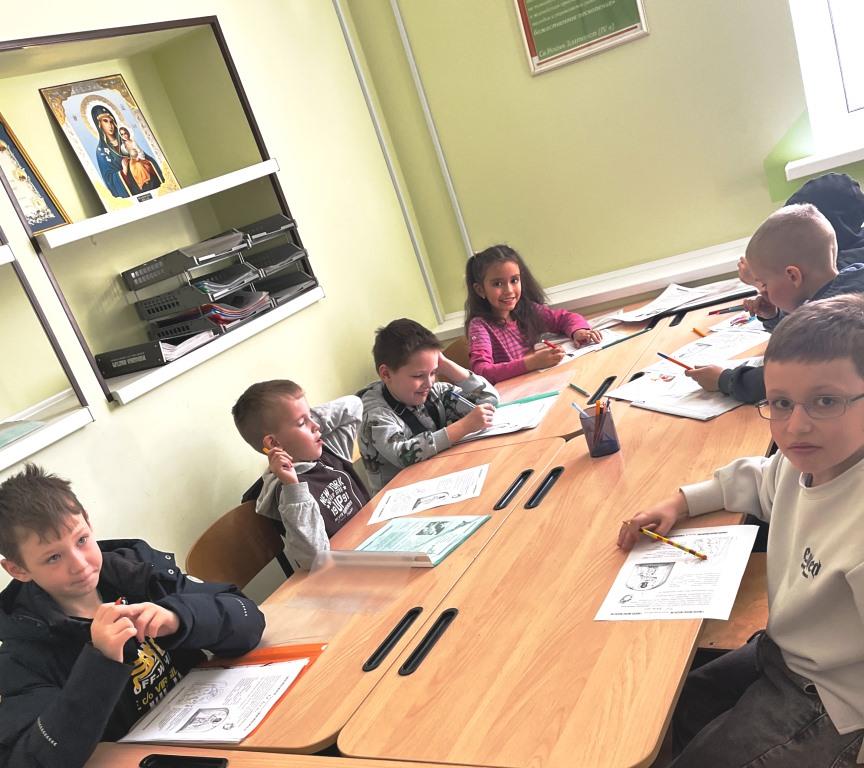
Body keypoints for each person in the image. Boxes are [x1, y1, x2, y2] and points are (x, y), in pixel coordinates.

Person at [618, 294, 864, 767]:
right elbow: (755, 477)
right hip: (785, 651)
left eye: (826, 401)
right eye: (781, 403)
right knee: (680, 707)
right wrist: (679, 502)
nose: (797, 426)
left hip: (834, 701)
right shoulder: (802, 463)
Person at [0, 464, 265, 768]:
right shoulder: (22, 654)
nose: (79, 564)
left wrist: (179, 617)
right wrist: (100, 663)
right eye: (53, 557)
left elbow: (249, 619)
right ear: (18, 569)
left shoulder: (138, 571)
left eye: (81, 540)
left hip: (223, 725)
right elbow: (32, 759)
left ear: (88, 522)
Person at [687, 204, 864, 403]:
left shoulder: (827, 321)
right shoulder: (853, 280)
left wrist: (724, 379)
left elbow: (784, 379)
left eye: (764, 283)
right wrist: (774, 316)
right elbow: (799, 336)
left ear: (792, 276)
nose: (763, 291)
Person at [232, 380, 370, 570]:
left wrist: (306, 422)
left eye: (311, 416)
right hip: (343, 573)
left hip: (371, 543)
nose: (316, 426)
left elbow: (354, 405)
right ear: (274, 443)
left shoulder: (329, 450)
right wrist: (293, 487)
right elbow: (315, 559)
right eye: (302, 422)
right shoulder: (287, 492)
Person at [359, 318, 498, 494]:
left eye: (433, 372)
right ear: (386, 374)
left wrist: (445, 365)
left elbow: (489, 399)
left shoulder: (433, 392)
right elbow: (404, 454)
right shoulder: (375, 416)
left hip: (440, 478)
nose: (429, 383)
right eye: (418, 376)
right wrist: (463, 426)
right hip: (399, 497)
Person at [465, 244, 602, 384]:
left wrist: (578, 331)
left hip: (538, 381)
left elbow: (565, 318)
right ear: (480, 290)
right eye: (497, 284)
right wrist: (532, 363)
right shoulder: (480, 326)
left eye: (514, 280)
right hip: (514, 391)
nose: (509, 290)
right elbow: (482, 372)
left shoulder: (527, 310)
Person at [91, 105, 163, 198]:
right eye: (105, 121)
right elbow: (109, 179)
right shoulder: (101, 151)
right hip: (131, 187)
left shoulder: (125, 140)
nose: (110, 125)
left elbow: (146, 158)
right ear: (99, 124)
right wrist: (123, 171)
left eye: (111, 121)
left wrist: (143, 161)